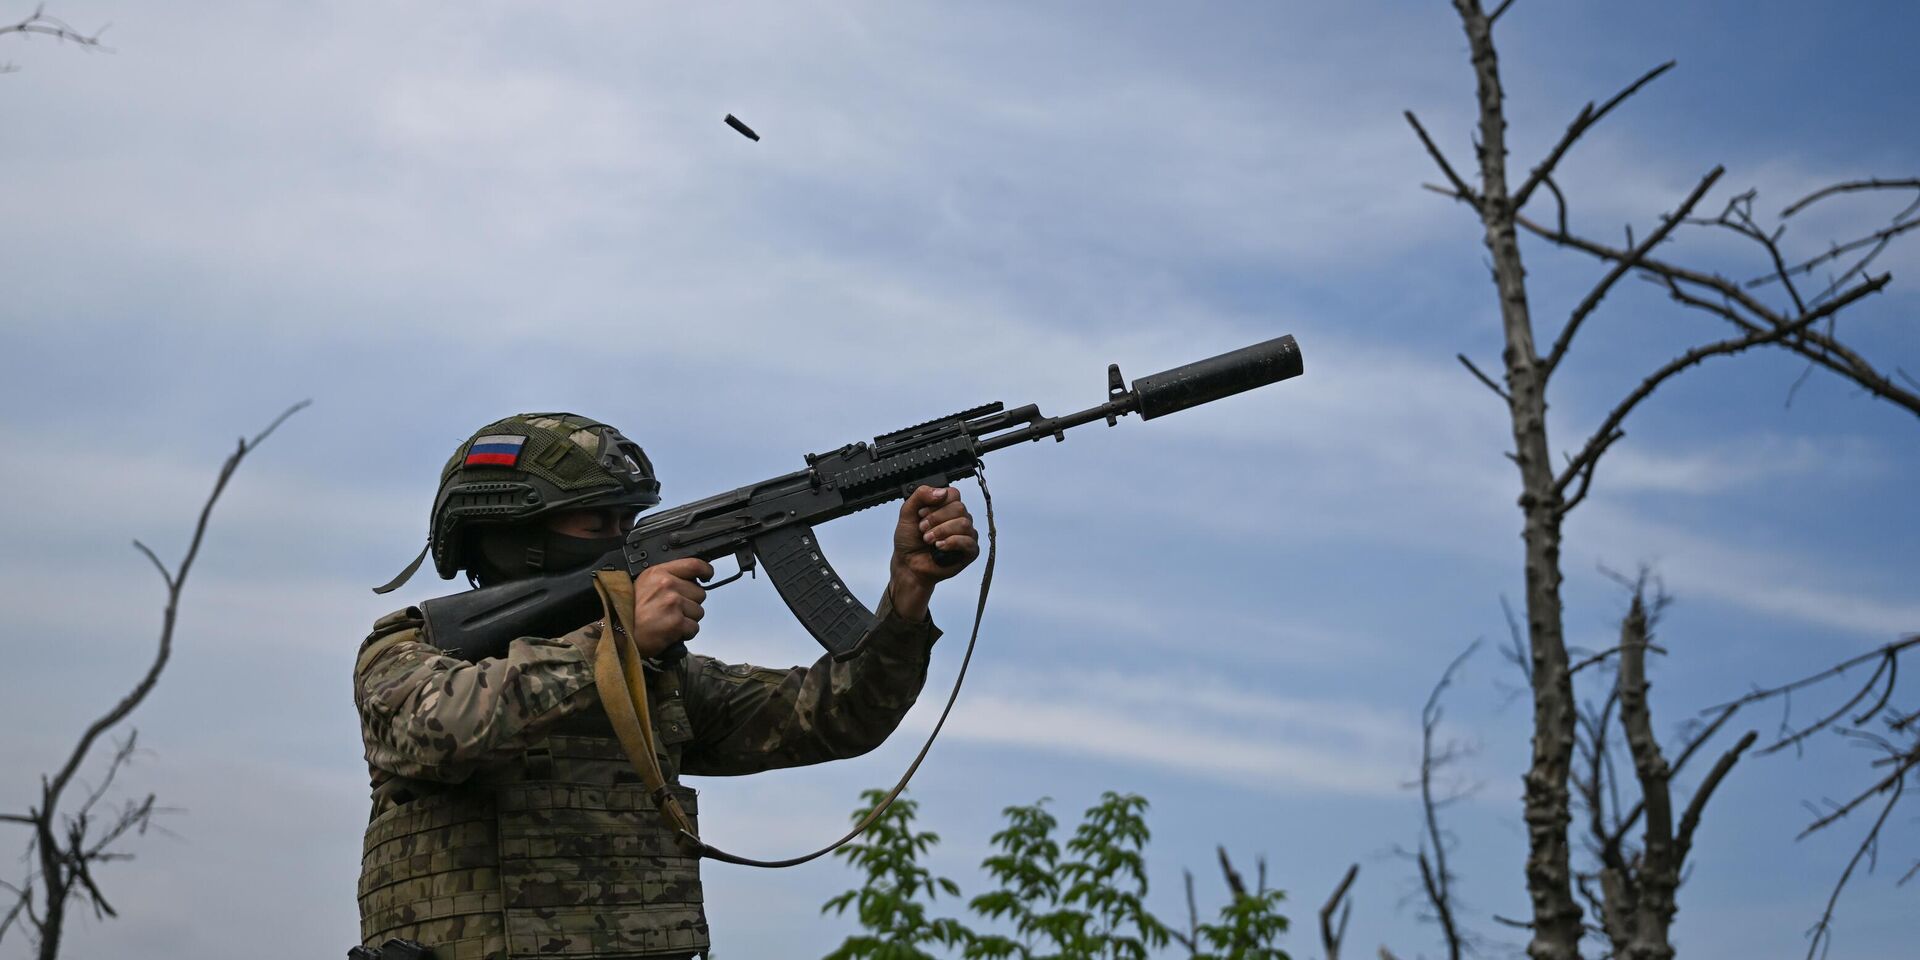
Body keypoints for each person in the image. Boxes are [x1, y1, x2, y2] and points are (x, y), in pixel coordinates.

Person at [353, 413, 978, 960]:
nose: (621, 540)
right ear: (511, 537)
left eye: (629, 520)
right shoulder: (408, 651)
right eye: (597, 521)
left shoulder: (660, 679)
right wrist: (617, 639)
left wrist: (907, 594)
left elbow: (839, 716)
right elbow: (443, 729)